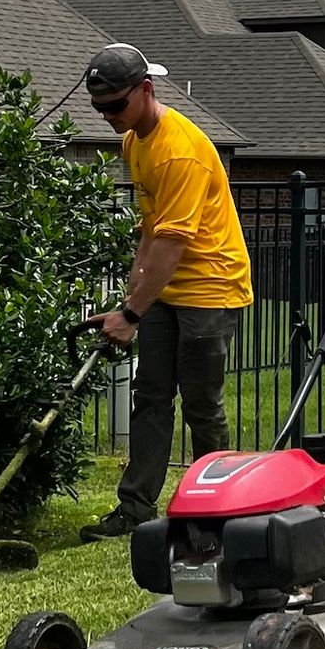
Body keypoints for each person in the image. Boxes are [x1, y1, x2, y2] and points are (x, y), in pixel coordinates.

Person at [81, 42, 253, 541]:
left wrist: (132, 315)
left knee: (202, 404)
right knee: (151, 396)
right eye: (100, 108)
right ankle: (135, 509)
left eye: (116, 105)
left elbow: (175, 242)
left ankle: (216, 513)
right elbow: (152, 231)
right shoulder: (136, 140)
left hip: (211, 287)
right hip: (166, 288)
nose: (109, 116)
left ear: (146, 90)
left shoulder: (179, 150)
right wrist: (132, 299)